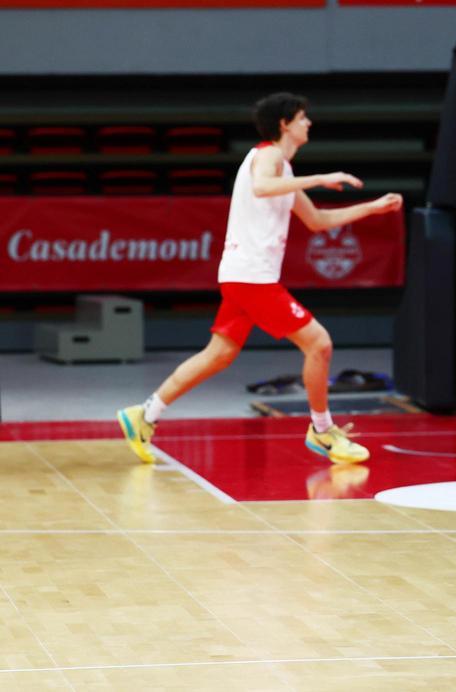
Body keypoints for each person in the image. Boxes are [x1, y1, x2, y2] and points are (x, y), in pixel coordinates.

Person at [117, 92, 403, 466]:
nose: (309, 123)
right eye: (303, 118)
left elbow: (318, 222)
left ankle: (145, 414)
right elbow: (262, 187)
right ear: (284, 124)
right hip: (252, 277)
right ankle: (321, 431)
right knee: (319, 344)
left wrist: (373, 207)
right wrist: (321, 177)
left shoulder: (283, 171)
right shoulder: (268, 155)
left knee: (219, 355)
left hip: (243, 276)